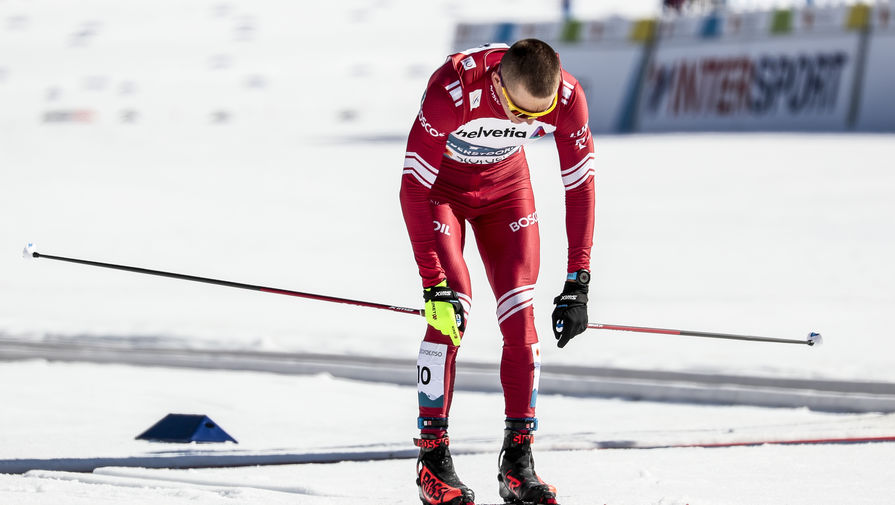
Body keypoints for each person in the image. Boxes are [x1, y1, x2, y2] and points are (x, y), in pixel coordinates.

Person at [400, 38, 595, 505]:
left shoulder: (567, 98)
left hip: (507, 190)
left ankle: (517, 462)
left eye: (536, 118)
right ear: (496, 83)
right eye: (516, 112)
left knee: (521, 318)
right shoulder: (453, 90)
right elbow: (411, 187)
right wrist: (433, 283)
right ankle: (432, 460)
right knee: (453, 308)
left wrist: (578, 281)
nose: (526, 124)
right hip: (440, 192)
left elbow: (581, 185)